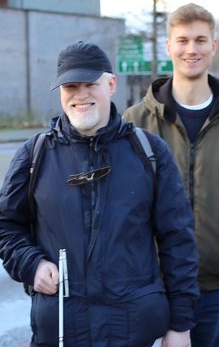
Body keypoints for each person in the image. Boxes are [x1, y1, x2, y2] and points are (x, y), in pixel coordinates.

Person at [0, 41, 199, 347]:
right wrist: (32, 264)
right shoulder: (34, 155)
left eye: (90, 84)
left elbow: (178, 239)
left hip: (136, 332)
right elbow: (6, 225)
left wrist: (181, 325)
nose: (80, 95)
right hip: (62, 331)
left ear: (111, 85)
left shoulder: (149, 152)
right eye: (70, 87)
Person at [123, 3, 219, 347]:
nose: (191, 49)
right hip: (152, 290)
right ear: (168, 47)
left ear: (213, 46)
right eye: (182, 40)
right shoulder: (134, 122)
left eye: (199, 40)